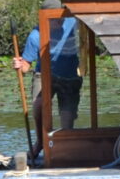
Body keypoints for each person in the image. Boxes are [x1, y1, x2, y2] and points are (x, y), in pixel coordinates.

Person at [16, 16, 82, 157]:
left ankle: (65, 147)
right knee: (38, 105)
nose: (60, 21)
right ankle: (40, 142)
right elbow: (26, 66)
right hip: (44, 74)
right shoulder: (35, 35)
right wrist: (19, 65)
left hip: (69, 75)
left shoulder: (71, 22)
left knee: (67, 114)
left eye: (61, 18)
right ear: (45, 19)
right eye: (55, 19)